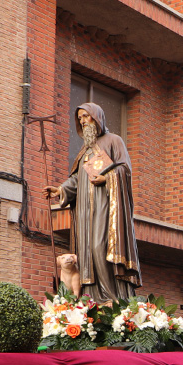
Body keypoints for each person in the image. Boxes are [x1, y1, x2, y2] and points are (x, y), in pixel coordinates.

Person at [44, 103, 141, 301]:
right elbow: (77, 179)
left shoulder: (114, 141)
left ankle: (111, 298)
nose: (83, 121)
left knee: (100, 247)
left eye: (86, 116)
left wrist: (107, 178)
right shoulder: (84, 150)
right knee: (86, 251)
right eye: (80, 118)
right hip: (85, 211)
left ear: (97, 118)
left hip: (106, 207)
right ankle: (91, 299)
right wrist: (61, 189)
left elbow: (125, 170)